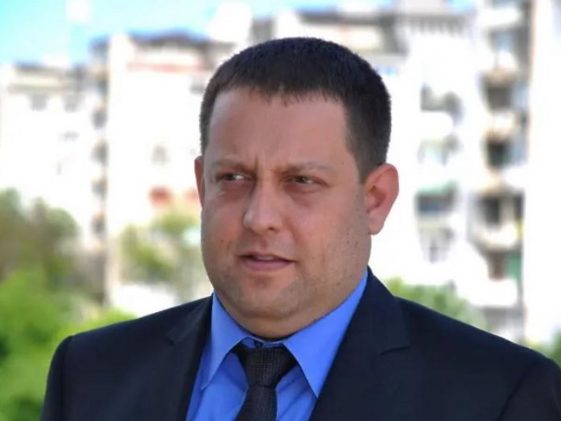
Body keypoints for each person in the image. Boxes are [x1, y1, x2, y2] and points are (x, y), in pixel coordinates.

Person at [41, 37, 561, 421]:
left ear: (375, 200)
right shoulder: (89, 376)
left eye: (301, 181)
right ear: (202, 187)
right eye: (234, 178)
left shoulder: (500, 397)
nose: (259, 216)